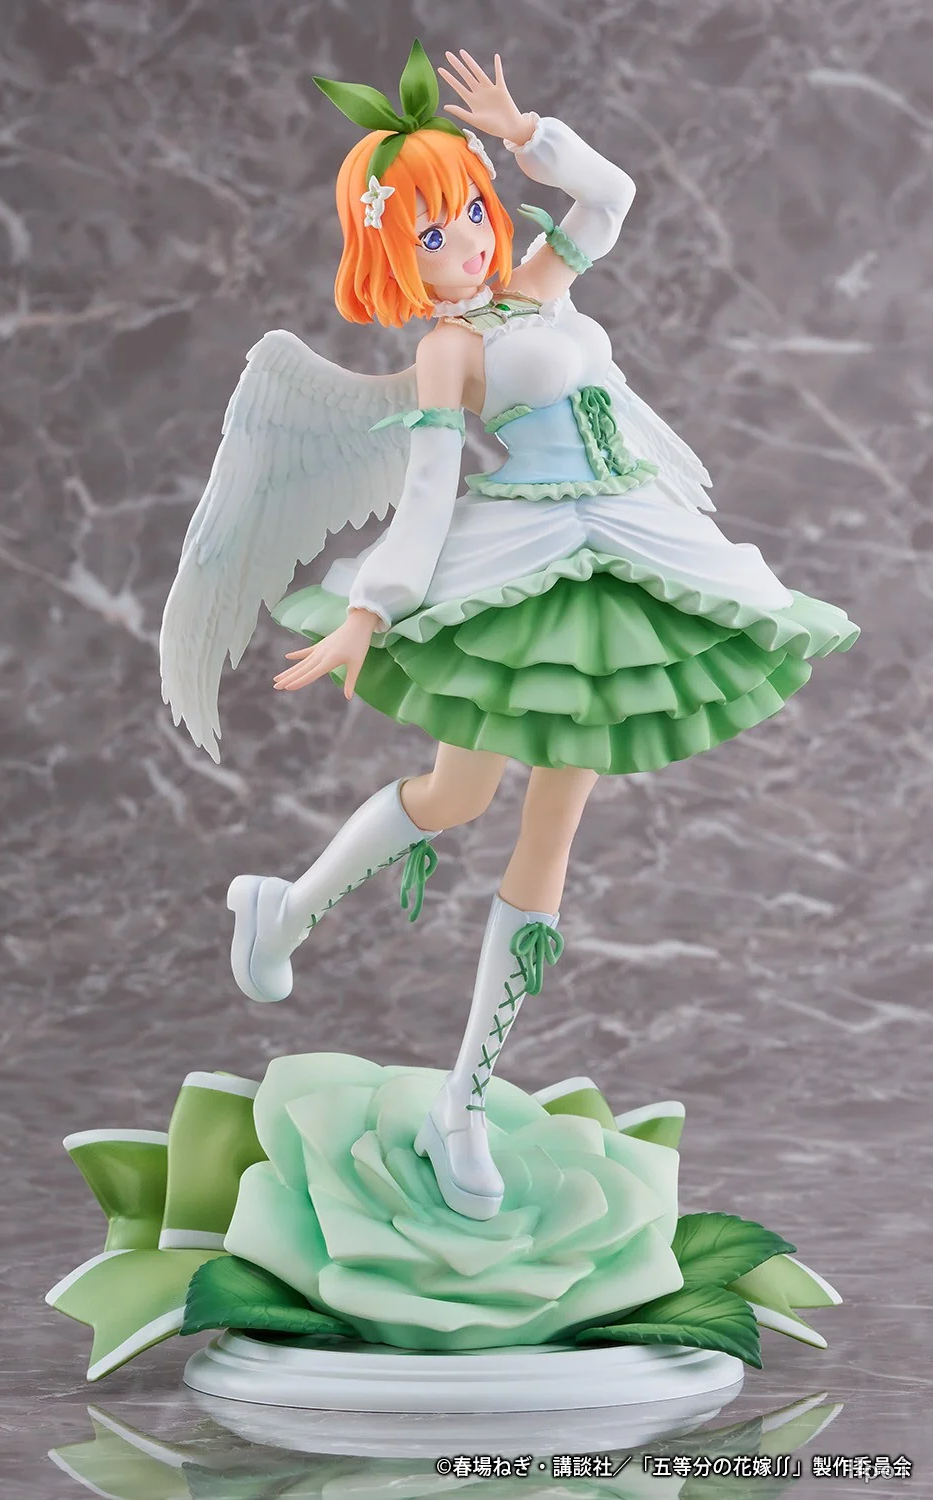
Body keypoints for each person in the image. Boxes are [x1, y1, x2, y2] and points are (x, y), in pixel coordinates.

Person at [159, 43, 859, 1222]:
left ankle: (462, 1104)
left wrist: (529, 136)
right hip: (527, 569)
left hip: (622, 553)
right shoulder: (448, 349)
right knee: (456, 796)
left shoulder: (537, 287)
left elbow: (611, 199)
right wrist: (372, 609)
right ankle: (286, 907)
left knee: (551, 833)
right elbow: (429, 488)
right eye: (433, 232)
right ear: (394, 254)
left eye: (474, 213)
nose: (469, 243)